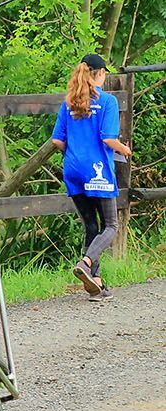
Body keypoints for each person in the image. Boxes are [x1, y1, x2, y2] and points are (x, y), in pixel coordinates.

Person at [52, 53, 132, 301]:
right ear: (99, 74)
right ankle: (86, 263)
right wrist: (125, 149)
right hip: (97, 168)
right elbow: (107, 138)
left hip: (72, 168)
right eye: (105, 72)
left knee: (91, 226)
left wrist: (75, 154)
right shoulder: (107, 102)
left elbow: (57, 140)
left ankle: (95, 283)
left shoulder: (69, 103)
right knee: (111, 225)